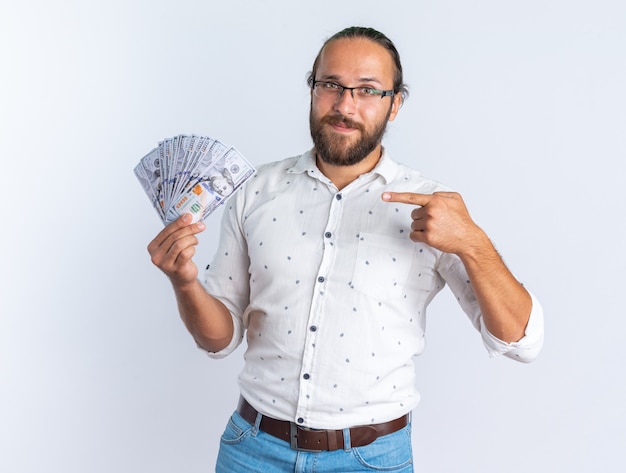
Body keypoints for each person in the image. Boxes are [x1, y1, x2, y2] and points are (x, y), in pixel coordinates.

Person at [147, 26, 544, 473]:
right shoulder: (254, 191)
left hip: (372, 460)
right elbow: (218, 340)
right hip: (251, 450)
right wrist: (184, 282)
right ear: (312, 91)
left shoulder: (434, 205)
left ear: (395, 104)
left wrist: (473, 243)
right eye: (330, 85)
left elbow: (522, 343)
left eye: (368, 90)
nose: (344, 104)